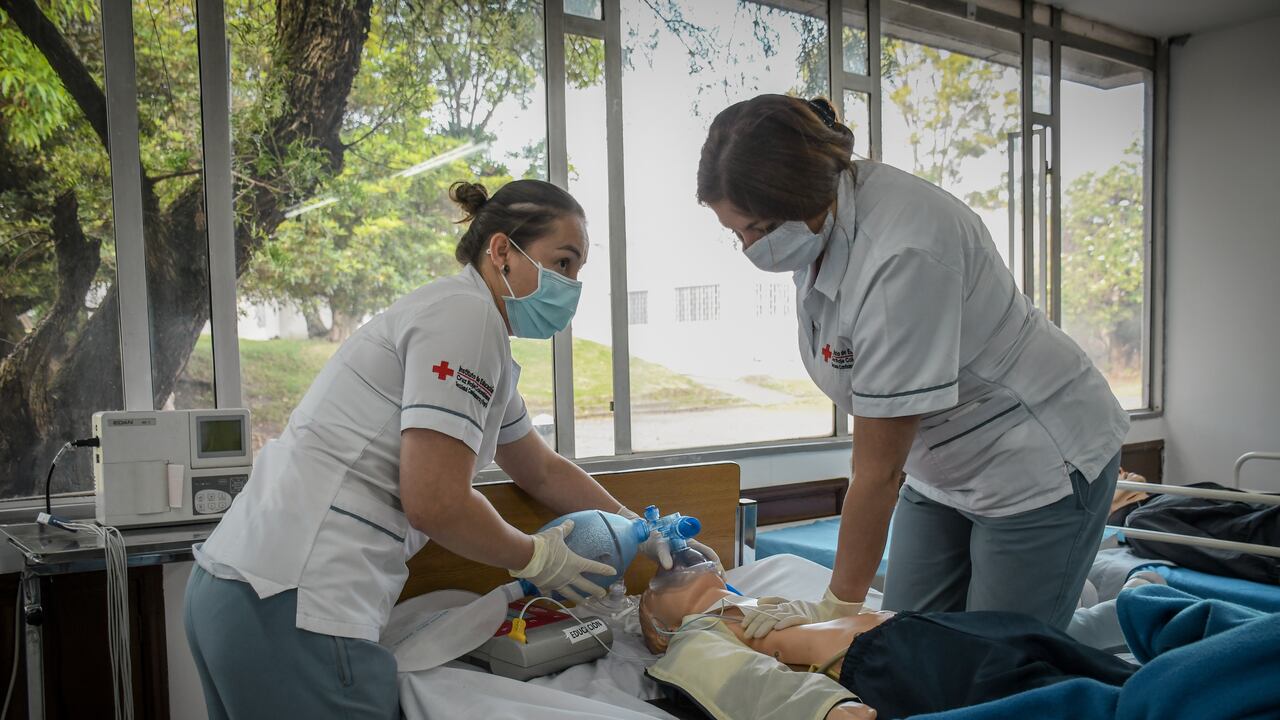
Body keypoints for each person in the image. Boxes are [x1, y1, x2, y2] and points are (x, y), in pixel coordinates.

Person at [183, 179, 717, 719]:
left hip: (243, 591)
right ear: (503, 251)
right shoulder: (466, 319)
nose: (572, 286)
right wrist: (537, 557)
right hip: (298, 604)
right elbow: (435, 501)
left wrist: (640, 531)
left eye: (578, 270)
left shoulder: (473, 333)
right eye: (563, 262)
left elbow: (542, 469)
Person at [696, 94, 1129, 632]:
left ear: (804, 195)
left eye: (757, 229)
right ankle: (1096, 601)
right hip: (939, 466)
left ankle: (1136, 615)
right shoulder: (821, 227)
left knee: (997, 666)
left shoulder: (903, 253)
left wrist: (836, 613)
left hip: (1035, 459)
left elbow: (876, 473)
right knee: (911, 639)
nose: (748, 248)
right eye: (735, 233)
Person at [638, 562, 1149, 720]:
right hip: (893, 657)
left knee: (1074, 660)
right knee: (1079, 701)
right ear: (656, 628)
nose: (689, 561)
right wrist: (826, 708)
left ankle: (1160, 635)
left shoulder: (759, 606)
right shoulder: (691, 638)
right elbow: (743, 684)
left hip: (923, 629)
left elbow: (832, 611)